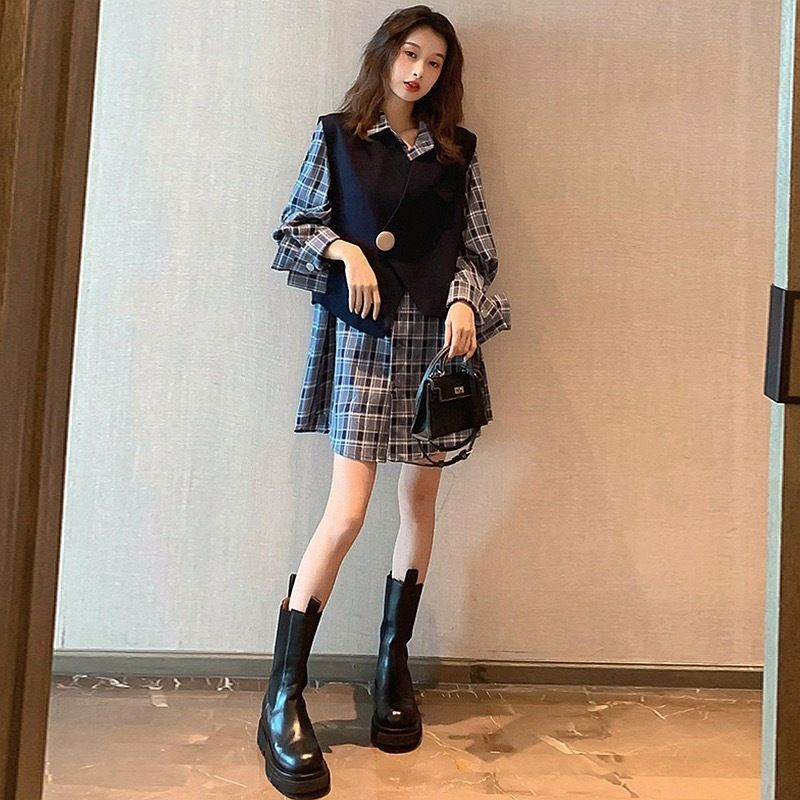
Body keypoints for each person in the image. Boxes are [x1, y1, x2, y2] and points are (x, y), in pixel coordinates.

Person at [256, 5, 511, 797]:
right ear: (385, 55)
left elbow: (478, 250)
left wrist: (464, 300)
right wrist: (345, 249)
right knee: (347, 513)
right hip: (365, 343)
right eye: (409, 54)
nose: (419, 72)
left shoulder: (456, 151)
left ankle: (392, 665)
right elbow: (294, 228)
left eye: (434, 63)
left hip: (435, 350)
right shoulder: (339, 136)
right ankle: (283, 694)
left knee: (420, 502)